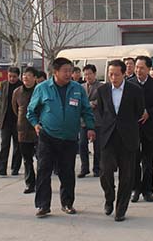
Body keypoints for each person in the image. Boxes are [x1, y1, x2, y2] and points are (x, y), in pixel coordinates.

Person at [27, 57, 95, 218]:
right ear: (55, 72)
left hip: (70, 137)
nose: (69, 74)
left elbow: (86, 110)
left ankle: (67, 203)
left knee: (67, 172)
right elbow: (31, 111)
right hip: (47, 137)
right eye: (65, 71)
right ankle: (43, 205)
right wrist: (35, 124)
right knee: (44, 171)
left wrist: (91, 127)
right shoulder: (43, 88)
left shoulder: (77, 89)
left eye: (70, 71)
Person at [96, 59, 144, 222]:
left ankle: (121, 209)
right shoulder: (102, 90)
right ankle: (109, 198)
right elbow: (101, 111)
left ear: (124, 74)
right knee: (105, 171)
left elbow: (139, 111)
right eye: (110, 74)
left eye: (116, 74)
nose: (113, 78)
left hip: (128, 137)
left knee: (126, 175)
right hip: (108, 137)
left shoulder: (135, 90)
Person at [128, 56, 153, 203]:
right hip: (133, 128)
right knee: (134, 161)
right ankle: (135, 189)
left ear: (149, 69)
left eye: (142, 68)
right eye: (136, 67)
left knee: (148, 161)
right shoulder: (129, 84)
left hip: (150, 128)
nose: (138, 70)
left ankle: (148, 190)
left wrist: (149, 112)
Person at [12, 66, 39, 194]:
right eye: (24, 75)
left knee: (41, 158)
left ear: (35, 78)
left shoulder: (40, 90)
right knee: (27, 159)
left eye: (28, 75)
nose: (25, 77)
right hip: (23, 129)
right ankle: (30, 184)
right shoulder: (17, 92)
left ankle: (41, 183)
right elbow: (15, 108)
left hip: (38, 129)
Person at [0, 66, 23, 176]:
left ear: (18, 76)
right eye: (10, 76)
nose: (12, 79)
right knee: (4, 145)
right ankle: (1, 168)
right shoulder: (4, 85)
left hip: (18, 120)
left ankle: (15, 168)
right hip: (6, 120)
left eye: (14, 77)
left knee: (18, 146)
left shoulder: (22, 86)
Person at [78, 64, 102, 178]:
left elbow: (104, 100)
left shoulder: (101, 86)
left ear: (95, 74)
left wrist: (94, 103)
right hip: (83, 121)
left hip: (97, 120)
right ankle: (84, 168)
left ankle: (97, 168)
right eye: (85, 74)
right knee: (82, 144)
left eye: (90, 74)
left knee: (98, 146)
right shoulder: (80, 87)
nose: (87, 76)